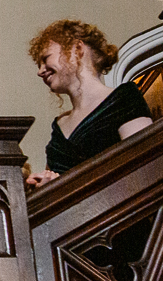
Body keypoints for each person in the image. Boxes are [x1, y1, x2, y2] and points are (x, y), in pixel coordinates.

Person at [23, 20, 153, 188]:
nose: (40, 71)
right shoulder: (58, 126)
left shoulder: (124, 98)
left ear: (77, 48)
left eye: (45, 58)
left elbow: (146, 168)